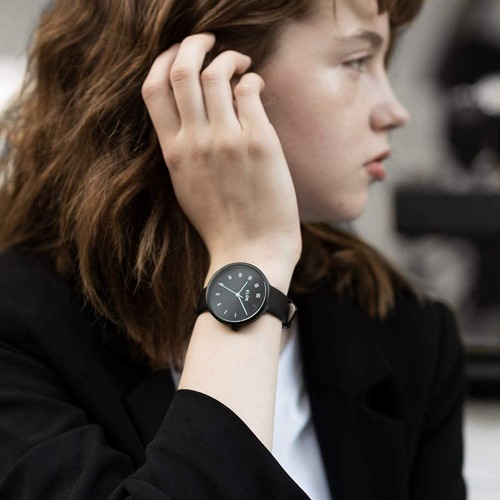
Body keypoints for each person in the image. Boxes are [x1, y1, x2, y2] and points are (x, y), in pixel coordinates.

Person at [0, 0, 466, 498]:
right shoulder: (18, 334)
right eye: (355, 61)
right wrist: (251, 255)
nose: (394, 112)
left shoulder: (406, 333)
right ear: (208, 78)